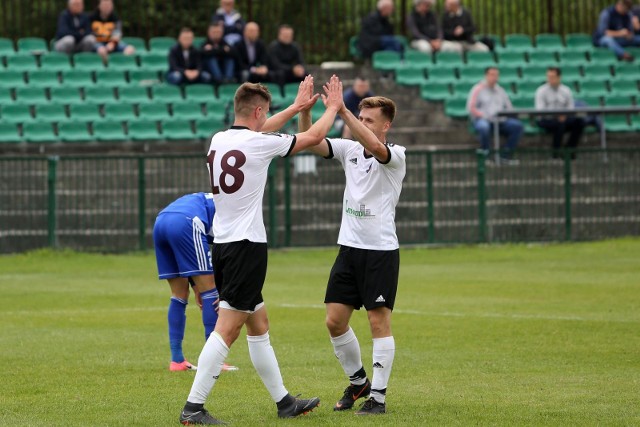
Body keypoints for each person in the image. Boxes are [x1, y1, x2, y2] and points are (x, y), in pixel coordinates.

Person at [178, 75, 345, 425]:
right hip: (245, 248)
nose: (266, 117)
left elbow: (260, 130)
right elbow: (314, 137)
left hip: (224, 244)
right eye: (264, 112)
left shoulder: (220, 138)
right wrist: (331, 109)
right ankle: (194, 407)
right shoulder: (258, 144)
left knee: (259, 323)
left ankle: (284, 402)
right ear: (257, 111)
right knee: (229, 328)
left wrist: (295, 108)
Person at [298, 90, 406, 415]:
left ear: (385, 126)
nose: (362, 124)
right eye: (361, 118)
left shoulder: (396, 154)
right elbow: (310, 140)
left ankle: (379, 399)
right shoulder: (349, 150)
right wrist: (305, 110)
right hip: (349, 249)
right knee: (334, 321)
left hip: (380, 252)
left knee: (378, 323)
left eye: (369, 120)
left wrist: (342, 111)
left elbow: (375, 146)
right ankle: (359, 382)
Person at [153, 192, 237, 373]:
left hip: (161, 221)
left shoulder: (211, 198)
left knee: (179, 294)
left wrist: (196, 285)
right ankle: (214, 361)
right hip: (187, 222)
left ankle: (177, 361)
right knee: (211, 293)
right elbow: (225, 251)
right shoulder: (234, 209)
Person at [467, 67, 523, 163]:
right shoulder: (478, 89)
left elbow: (509, 108)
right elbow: (471, 108)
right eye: (492, 75)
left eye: (496, 75)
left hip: (500, 121)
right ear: (486, 75)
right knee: (483, 127)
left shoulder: (500, 90)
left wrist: (507, 115)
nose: (494, 77)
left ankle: (505, 156)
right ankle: (486, 156)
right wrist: (485, 116)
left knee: (517, 126)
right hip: (483, 119)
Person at [535, 67, 585, 160]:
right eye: (548, 77)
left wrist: (565, 115)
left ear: (559, 77)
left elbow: (571, 108)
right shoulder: (541, 91)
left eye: (552, 77)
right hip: (546, 119)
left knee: (579, 122)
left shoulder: (566, 90)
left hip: (564, 117)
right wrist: (556, 116)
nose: (550, 79)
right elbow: (540, 111)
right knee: (559, 124)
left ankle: (569, 150)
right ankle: (555, 154)